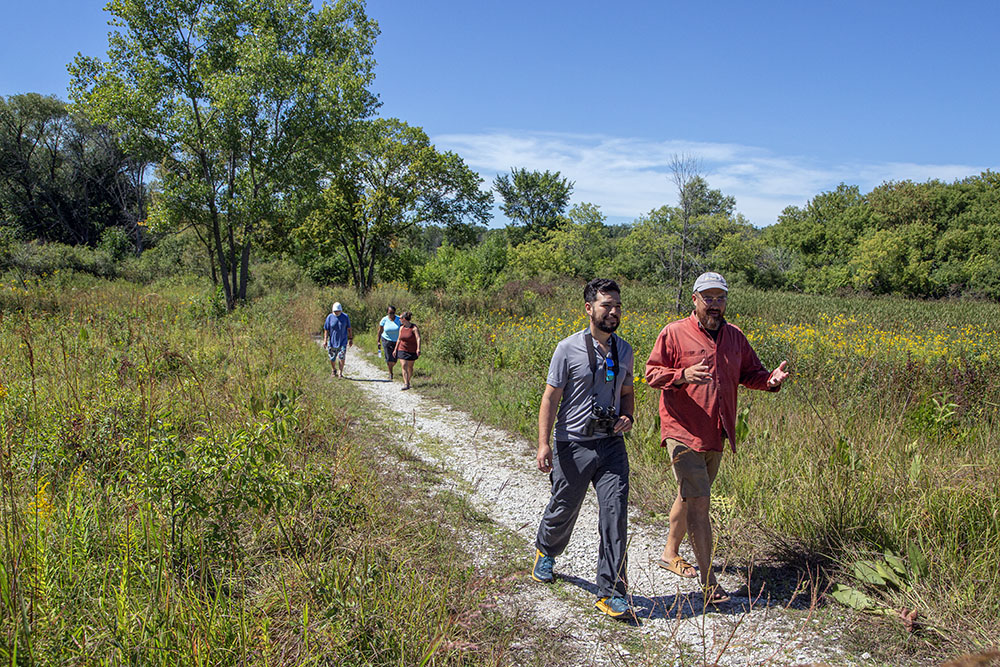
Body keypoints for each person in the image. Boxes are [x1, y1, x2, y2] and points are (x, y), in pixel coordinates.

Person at [645, 272, 789, 605]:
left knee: (690, 496)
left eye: (719, 298)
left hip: (717, 432)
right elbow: (652, 373)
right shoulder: (674, 333)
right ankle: (709, 584)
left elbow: (750, 374)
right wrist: (681, 376)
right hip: (682, 431)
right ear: (694, 299)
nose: (714, 304)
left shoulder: (735, 337)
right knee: (699, 502)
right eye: (707, 298)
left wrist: (770, 380)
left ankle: (669, 553)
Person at [531, 278, 637, 620]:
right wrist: (543, 443)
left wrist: (628, 417)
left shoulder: (626, 350)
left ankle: (611, 591)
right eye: (606, 305)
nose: (613, 311)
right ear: (589, 308)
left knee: (615, 513)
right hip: (572, 443)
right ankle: (546, 551)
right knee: (565, 506)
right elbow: (551, 397)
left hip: (611, 446)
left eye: (617, 305)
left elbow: (627, 393)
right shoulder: (567, 348)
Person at [322, 302, 353, 377]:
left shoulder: (345, 317)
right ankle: (333, 369)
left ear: (341, 311)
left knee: (341, 356)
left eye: (338, 311)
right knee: (332, 357)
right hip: (332, 341)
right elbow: (326, 329)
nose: (336, 313)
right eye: (335, 311)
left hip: (342, 341)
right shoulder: (329, 317)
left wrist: (350, 338)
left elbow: (349, 328)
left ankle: (340, 372)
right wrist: (325, 340)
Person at [395, 311, 421, 390]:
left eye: (400, 318)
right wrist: (395, 349)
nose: (399, 319)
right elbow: (399, 339)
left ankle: (408, 381)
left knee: (410, 367)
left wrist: (418, 348)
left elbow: (418, 338)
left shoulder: (414, 328)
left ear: (404, 319)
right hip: (402, 349)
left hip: (412, 350)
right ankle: (406, 383)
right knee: (403, 365)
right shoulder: (401, 328)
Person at [376, 305, 402, 381]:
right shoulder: (384, 320)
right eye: (390, 313)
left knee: (395, 358)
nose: (391, 314)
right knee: (388, 357)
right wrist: (378, 340)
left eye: (393, 313)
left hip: (397, 340)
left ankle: (391, 366)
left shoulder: (399, 320)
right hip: (386, 339)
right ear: (387, 312)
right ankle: (390, 373)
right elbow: (380, 330)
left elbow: (403, 329)